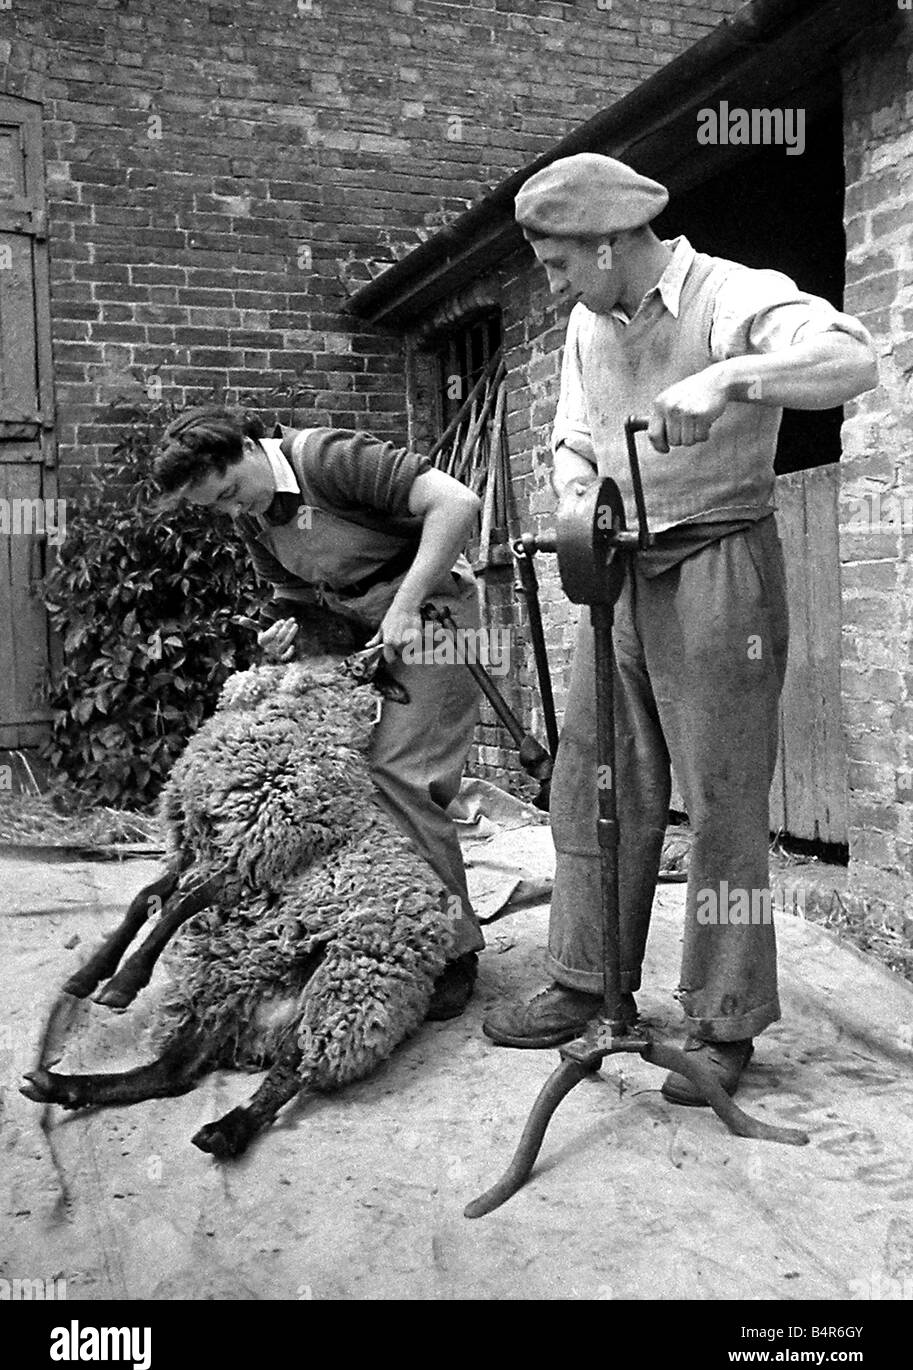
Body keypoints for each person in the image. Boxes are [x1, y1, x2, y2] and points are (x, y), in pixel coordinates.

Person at [482, 153, 878, 1102]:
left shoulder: (727, 294)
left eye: (559, 263)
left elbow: (852, 359)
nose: (555, 284)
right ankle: (587, 982)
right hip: (616, 568)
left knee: (721, 803)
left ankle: (721, 1024)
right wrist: (578, 483)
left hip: (716, 565)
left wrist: (733, 378)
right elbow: (576, 435)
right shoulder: (587, 324)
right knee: (590, 780)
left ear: (612, 243)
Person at [154, 408, 485, 1019]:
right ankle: (379, 918)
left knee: (402, 775)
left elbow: (458, 505)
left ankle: (453, 950)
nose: (233, 513)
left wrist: (406, 605)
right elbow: (295, 597)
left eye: (230, 493)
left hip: (436, 612)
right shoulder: (256, 518)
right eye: (217, 509)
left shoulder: (328, 458)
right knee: (349, 778)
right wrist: (287, 635)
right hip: (363, 626)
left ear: (251, 449)